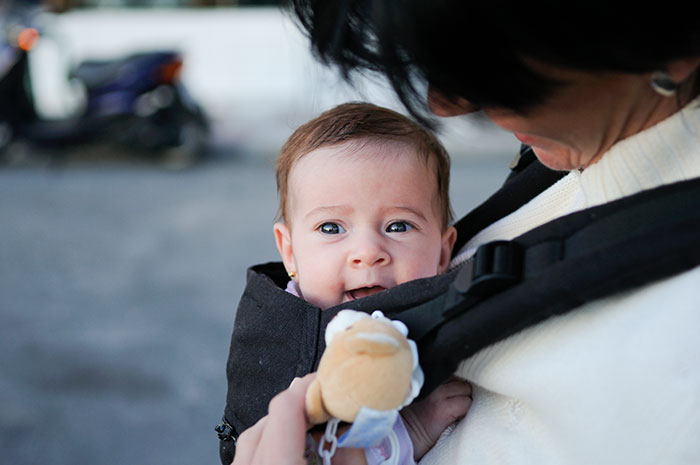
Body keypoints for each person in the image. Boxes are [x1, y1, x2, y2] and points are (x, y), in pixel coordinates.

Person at [222, 2, 700, 464]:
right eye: (331, 227)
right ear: (287, 249)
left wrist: (412, 432)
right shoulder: (563, 158)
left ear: (662, 42)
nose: (444, 104)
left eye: (482, 59)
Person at [271, 102, 473, 464]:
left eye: (399, 226)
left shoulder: (448, 314)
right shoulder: (282, 342)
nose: (367, 253)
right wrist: (415, 432)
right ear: (289, 252)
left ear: (444, 253)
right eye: (331, 228)